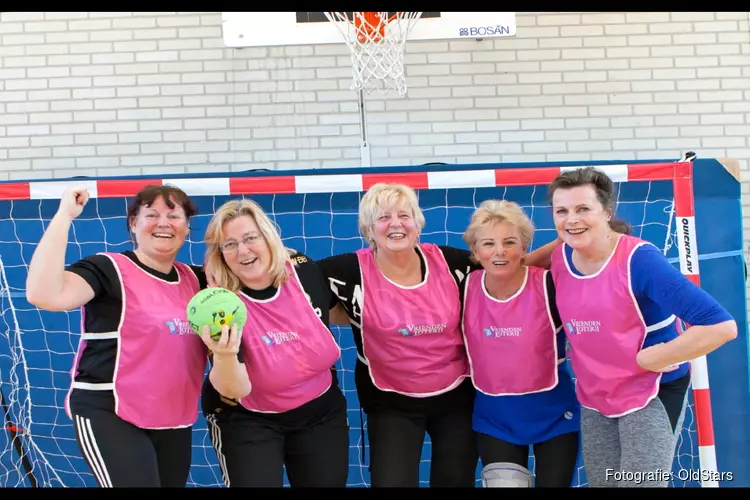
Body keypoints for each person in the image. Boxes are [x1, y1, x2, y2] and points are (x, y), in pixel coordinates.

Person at [316, 182, 558, 488]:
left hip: (456, 397)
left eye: (404, 215)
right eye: (383, 217)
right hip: (391, 402)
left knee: (454, 480)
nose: (395, 224)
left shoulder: (453, 264)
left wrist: (565, 240)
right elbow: (296, 287)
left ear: (418, 222)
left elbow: (509, 266)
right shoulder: (346, 272)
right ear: (368, 228)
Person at [25, 184, 250, 488]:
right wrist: (65, 215)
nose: (163, 223)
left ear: (186, 228)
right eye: (152, 214)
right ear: (133, 223)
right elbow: (44, 295)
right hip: (110, 412)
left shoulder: (199, 282)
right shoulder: (109, 269)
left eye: (174, 216)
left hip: (173, 417)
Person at [547, 166, 738, 487]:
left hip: (650, 391)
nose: (571, 219)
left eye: (583, 209)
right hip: (596, 395)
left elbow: (721, 326)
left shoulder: (640, 261)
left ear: (606, 211)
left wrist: (655, 357)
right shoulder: (559, 258)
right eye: (561, 211)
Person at [201, 198, 349, 488]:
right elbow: (234, 389)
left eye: (250, 238)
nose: (242, 250)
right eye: (229, 244)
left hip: (320, 413)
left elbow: (341, 311)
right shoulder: (218, 302)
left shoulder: (304, 272)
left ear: (268, 237)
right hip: (249, 419)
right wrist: (225, 352)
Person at [461, 199, 580, 488]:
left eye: (510, 242)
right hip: (496, 420)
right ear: (475, 251)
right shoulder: (463, 287)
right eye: (488, 243)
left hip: (555, 416)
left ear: (524, 246)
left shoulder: (552, 284)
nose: (499, 251)